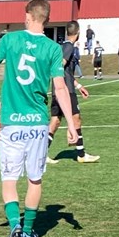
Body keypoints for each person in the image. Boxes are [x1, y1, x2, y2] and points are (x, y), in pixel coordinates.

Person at [0, 0, 77, 237]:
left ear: (27, 16)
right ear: (47, 19)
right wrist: (71, 125)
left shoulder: (10, 40)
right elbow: (59, 88)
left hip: (12, 123)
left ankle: (15, 224)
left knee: (9, 179)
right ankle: (28, 229)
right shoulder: (53, 49)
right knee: (35, 179)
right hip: (37, 125)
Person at [46, 21, 99, 165]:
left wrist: (79, 85)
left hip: (58, 90)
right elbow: (60, 66)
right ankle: (81, 154)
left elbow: (65, 71)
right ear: (78, 32)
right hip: (66, 91)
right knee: (76, 119)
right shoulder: (69, 46)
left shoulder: (61, 46)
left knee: (55, 121)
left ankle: (42, 154)